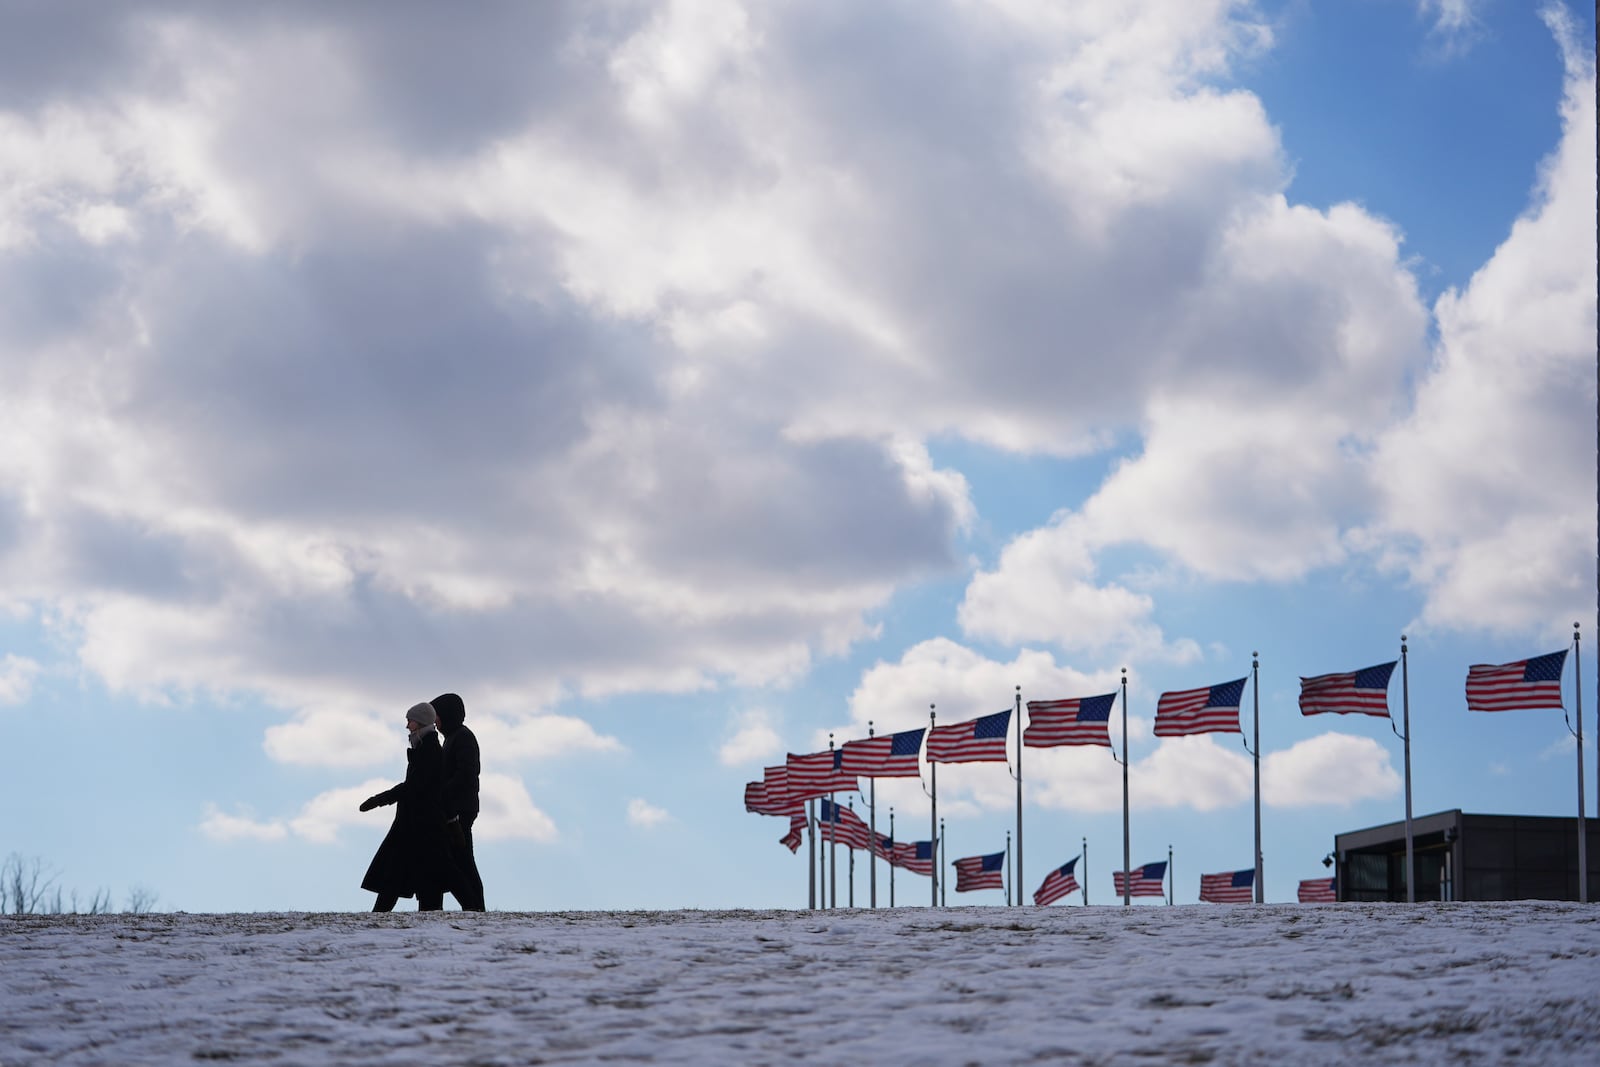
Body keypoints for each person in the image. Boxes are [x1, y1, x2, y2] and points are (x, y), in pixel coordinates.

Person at [359, 701, 457, 912]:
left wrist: (380, 799)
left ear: (420, 722)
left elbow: (414, 786)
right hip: (420, 824)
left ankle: (380, 916)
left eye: (409, 721)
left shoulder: (429, 750)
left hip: (421, 825)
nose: (407, 726)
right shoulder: (425, 747)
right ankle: (381, 916)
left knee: (402, 876)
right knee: (415, 879)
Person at [432, 692, 486, 911]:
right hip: (456, 807)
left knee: (462, 861)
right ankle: (474, 907)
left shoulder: (462, 737)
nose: (435, 721)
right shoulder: (453, 738)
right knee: (461, 860)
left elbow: (466, 773)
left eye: (437, 716)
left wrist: (443, 793)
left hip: (460, 810)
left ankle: (475, 907)